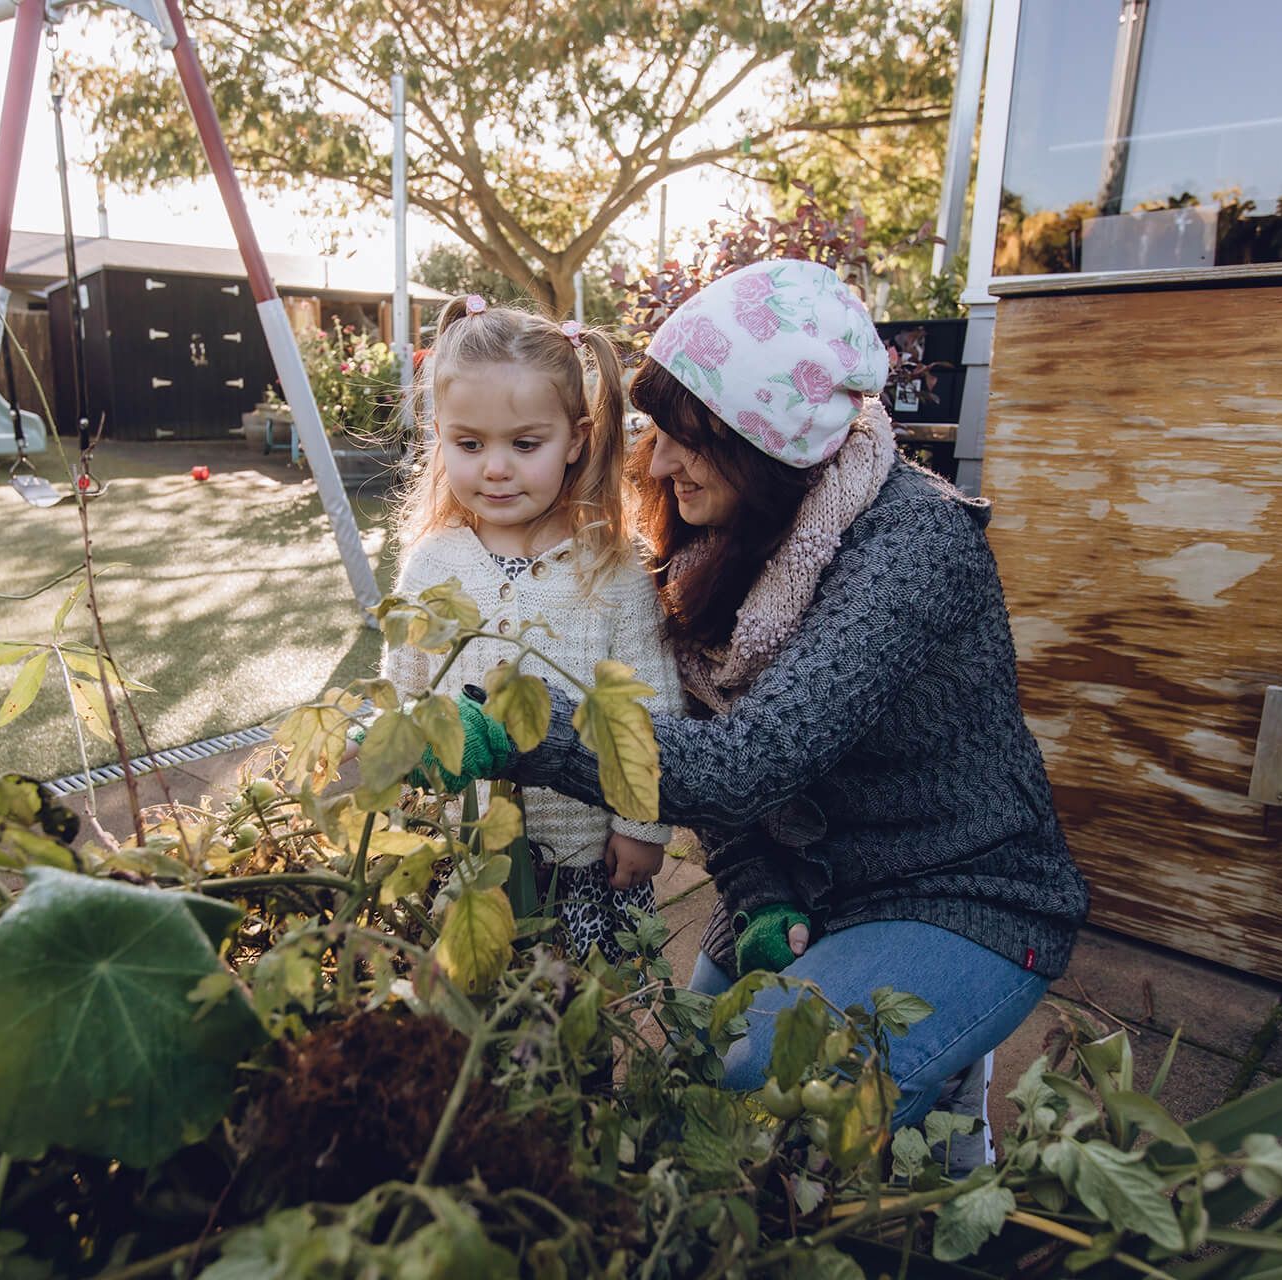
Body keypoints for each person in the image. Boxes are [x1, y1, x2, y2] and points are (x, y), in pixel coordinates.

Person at [424, 261, 1090, 1130]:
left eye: (687, 436)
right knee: (687, 1080)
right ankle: (918, 1056)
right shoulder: (722, 534)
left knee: (753, 1097)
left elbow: (746, 763)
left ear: (764, 437)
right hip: (805, 887)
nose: (657, 460)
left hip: (959, 896)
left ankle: (941, 1051)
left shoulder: (912, 546)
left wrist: (520, 729)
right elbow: (702, 736)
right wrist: (754, 889)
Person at [381, 294, 684, 964]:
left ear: (576, 438)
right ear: (440, 436)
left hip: (581, 864)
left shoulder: (614, 569)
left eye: (525, 444)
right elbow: (403, 693)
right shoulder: (433, 562)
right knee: (465, 1027)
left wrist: (642, 826)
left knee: (571, 1037)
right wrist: (407, 797)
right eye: (468, 444)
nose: (494, 467)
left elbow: (652, 713)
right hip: (461, 852)